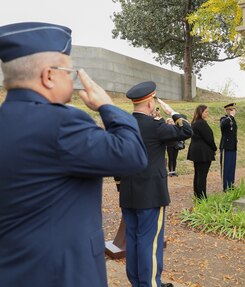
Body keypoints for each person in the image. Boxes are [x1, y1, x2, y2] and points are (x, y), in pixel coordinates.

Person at [0, 22, 148, 287]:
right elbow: (132, 155)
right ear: (48, 76)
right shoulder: (61, 124)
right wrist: (107, 105)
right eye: (68, 72)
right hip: (62, 275)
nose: (72, 80)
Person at [118, 81, 192, 287]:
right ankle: (150, 283)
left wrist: (119, 185)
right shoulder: (156, 126)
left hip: (128, 193)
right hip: (151, 194)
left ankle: (137, 282)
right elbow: (187, 130)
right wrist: (174, 113)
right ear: (151, 103)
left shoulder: (123, 125)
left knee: (132, 240)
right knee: (149, 242)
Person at [187, 105, 217, 199]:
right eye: (206, 112)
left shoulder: (194, 122)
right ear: (201, 112)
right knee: (202, 175)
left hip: (196, 152)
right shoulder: (201, 123)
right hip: (203, 152)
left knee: (198, 174)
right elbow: (209, 138)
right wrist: (214, 148)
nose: (207, 113)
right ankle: (202, 197)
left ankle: (197, 194)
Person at [219, 103, 238, 191]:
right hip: (226, 146)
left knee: (232, 166)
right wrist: (231, 116)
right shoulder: (224, 119)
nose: (233, 111)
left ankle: (231, 184)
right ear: (227, 110)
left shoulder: (233, 120)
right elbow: (223, 124)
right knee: (227, 166)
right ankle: (226, 186)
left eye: (234, 110)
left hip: (233, 146)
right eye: (231, 110)